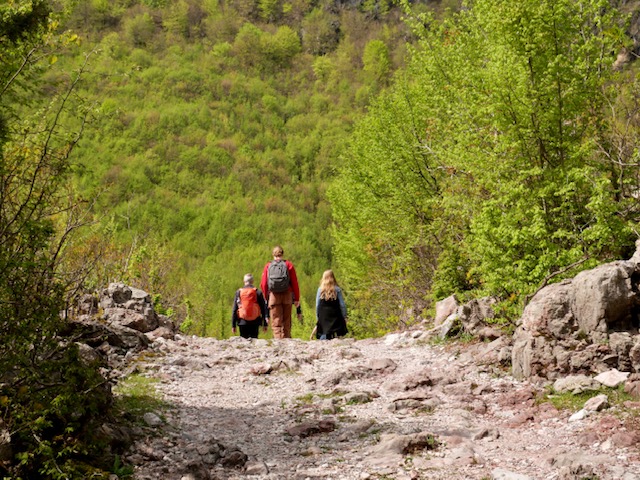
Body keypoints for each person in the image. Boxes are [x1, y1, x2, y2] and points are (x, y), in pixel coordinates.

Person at [260, 245, 301, 339]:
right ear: (282, 254)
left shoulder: (268, 266)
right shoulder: (288, 265)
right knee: (287, 321)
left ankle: (278, 342)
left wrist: (266, 297)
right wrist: (297, 298)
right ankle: (287, 341)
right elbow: (295, 282)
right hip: (287, 295)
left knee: (276, 322)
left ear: (273, 254)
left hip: (274, 296)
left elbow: (263, 284)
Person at [313, 269, 348, 340]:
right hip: (336, 316)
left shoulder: (320, 290)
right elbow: (342, 305)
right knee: (336, 332)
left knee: (324, 334)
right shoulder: (337, 289)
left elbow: (317, 305)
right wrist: (344, 316)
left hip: (323, 316)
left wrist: (317, 317)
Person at [232, 273, 268, 339]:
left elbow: (234, 309)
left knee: (243, 343)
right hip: (255, 322)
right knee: (254, 342)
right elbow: (263, 309)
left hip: (242, 322)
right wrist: (265, 324)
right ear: (252, 281)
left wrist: (233, 325)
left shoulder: (239, 292)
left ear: (244, 281)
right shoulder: (257, 292)